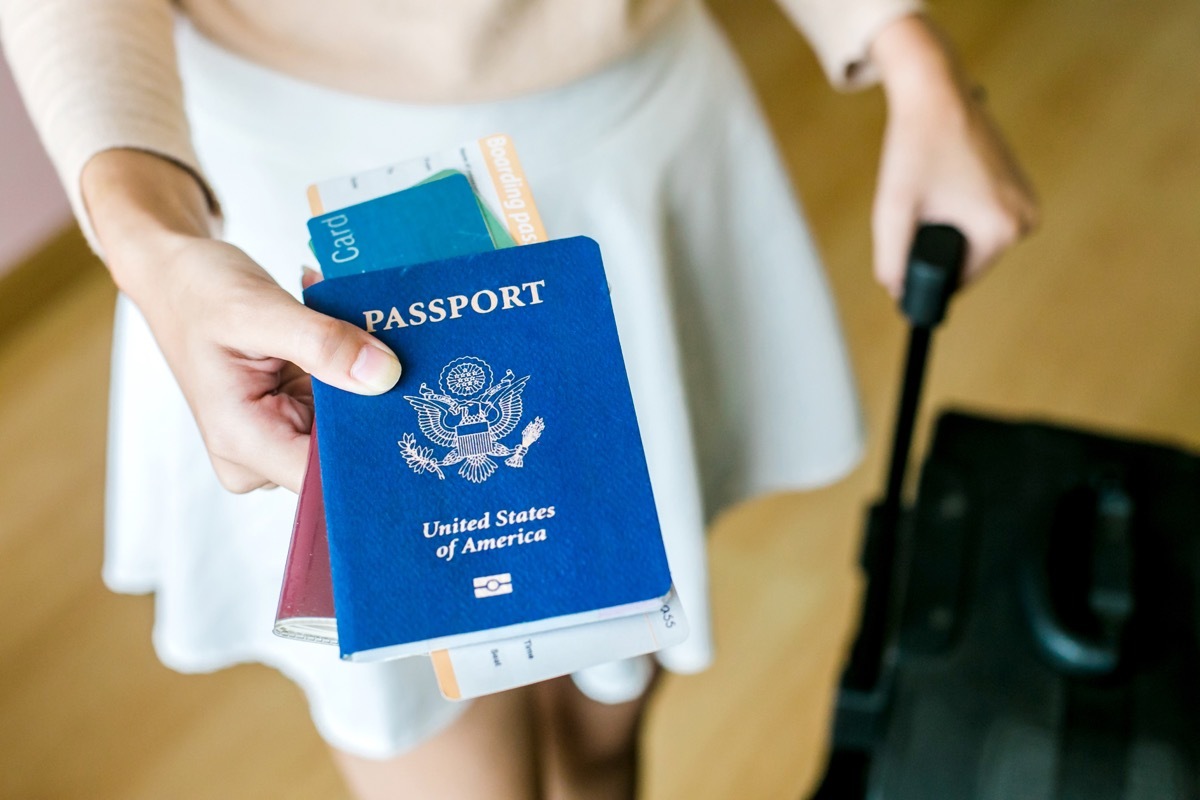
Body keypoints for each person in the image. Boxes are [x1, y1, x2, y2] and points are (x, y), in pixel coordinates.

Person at [0, 0, 1036, 797]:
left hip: (620, 147)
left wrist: (907, 52)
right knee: (440, 743)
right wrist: (150, 240)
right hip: (278, 211)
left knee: (604, 729)